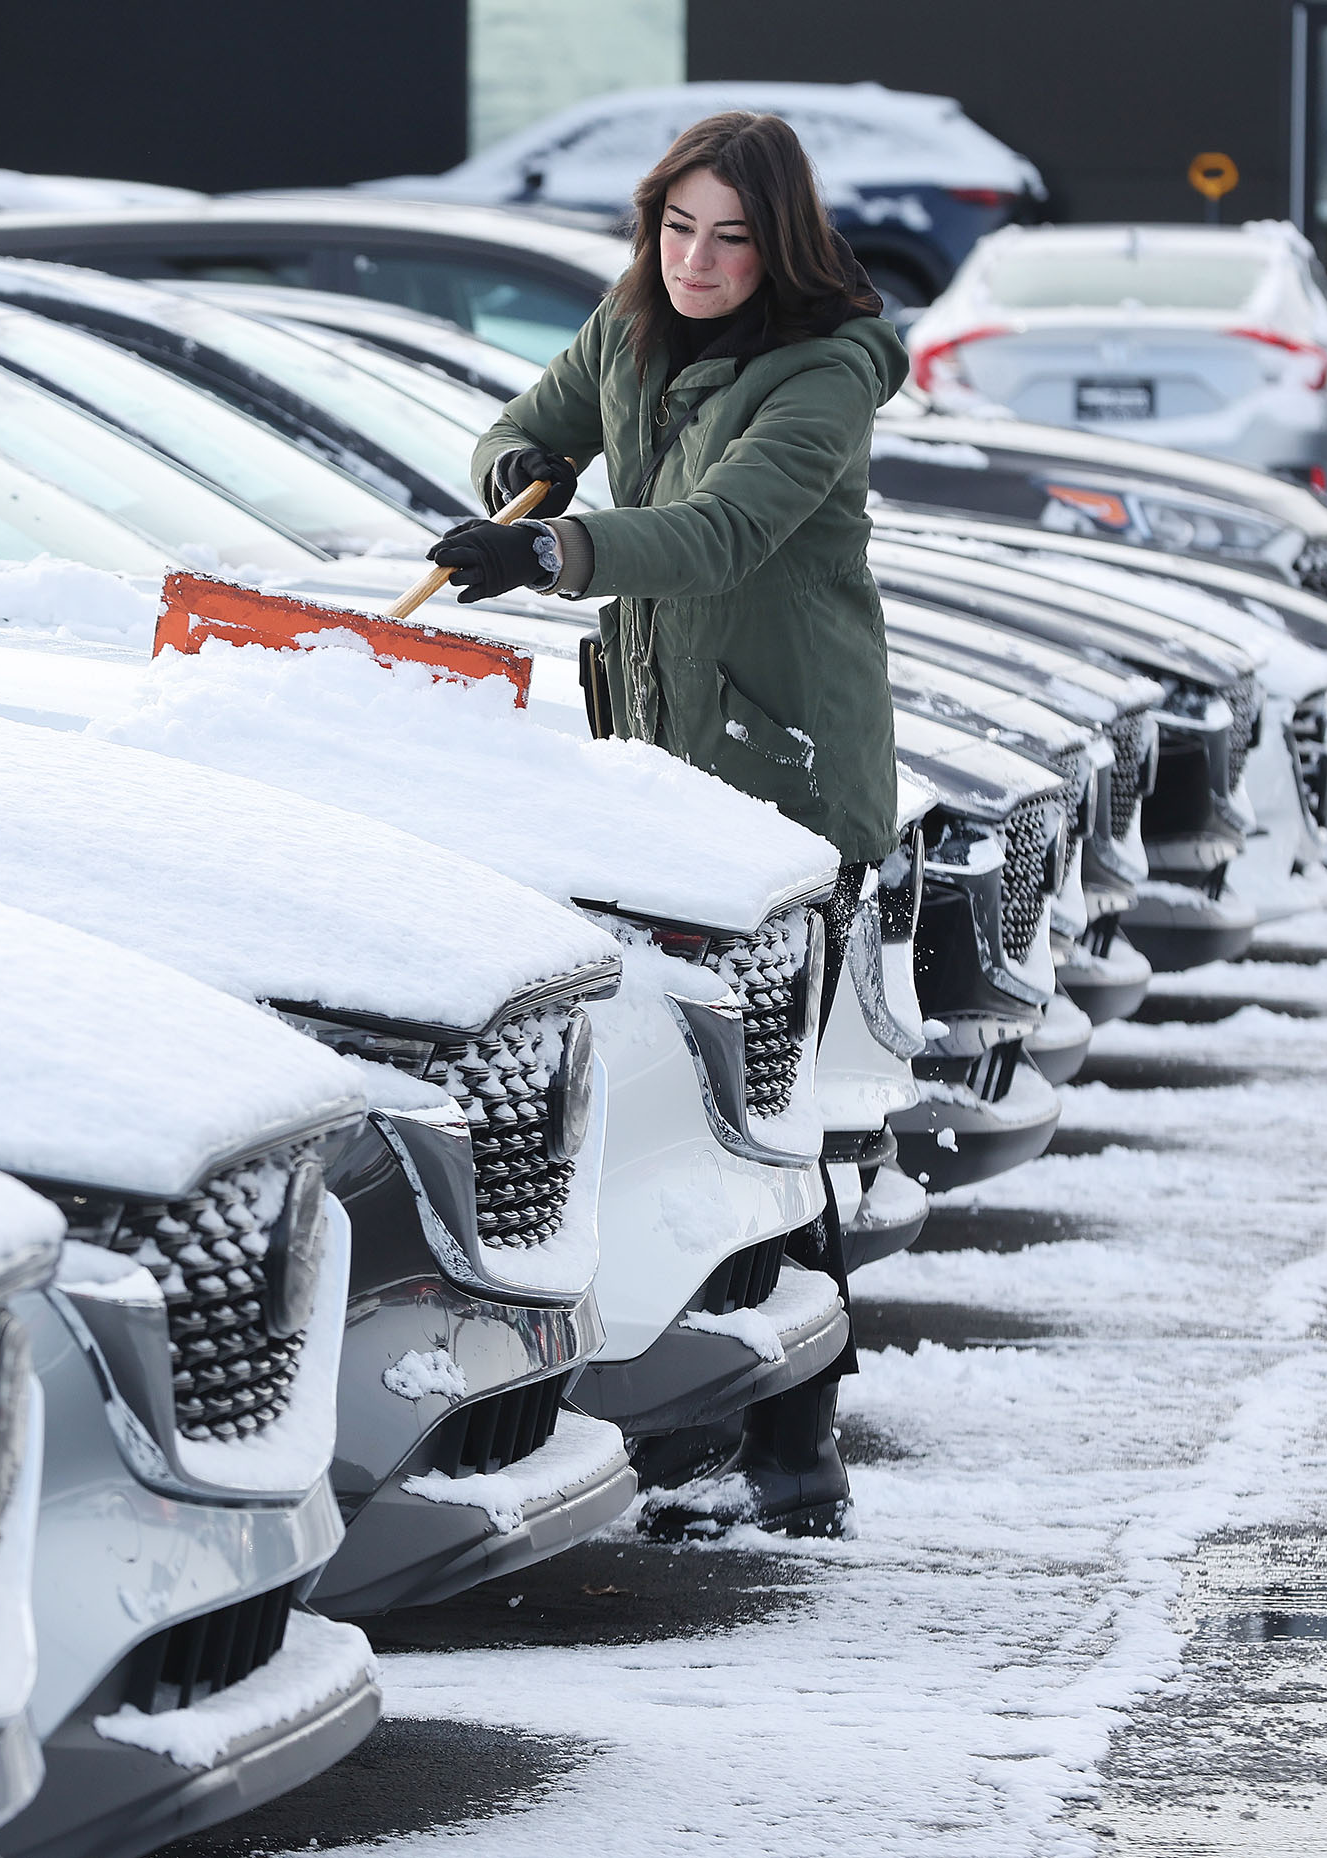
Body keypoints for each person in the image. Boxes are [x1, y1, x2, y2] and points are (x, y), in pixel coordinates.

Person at [427, 110, 907, 1540]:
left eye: (731, 237)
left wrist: (554, 549)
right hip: (656, 769)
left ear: (784, 245)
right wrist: (525, 475)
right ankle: (706, 1415)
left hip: (786, 773)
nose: (695, 261)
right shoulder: (633, 323)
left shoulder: (823, 375)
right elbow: (519, 427)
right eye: (677, 229)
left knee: (771, 1113)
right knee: (682, 1108)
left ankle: (797, 1442)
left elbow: (716, 534)